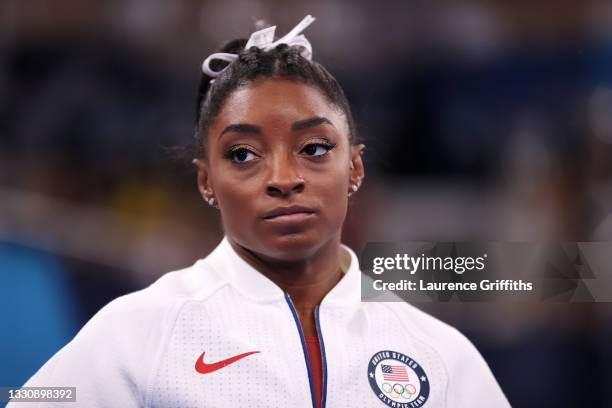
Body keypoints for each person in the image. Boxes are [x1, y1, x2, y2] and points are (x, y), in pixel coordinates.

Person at [10, 15, 510, 408]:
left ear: (355, 168)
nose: (282, 178)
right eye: (243, 155)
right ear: (207, 181)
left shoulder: (439, 354)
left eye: (314, 148)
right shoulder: (136, 333)